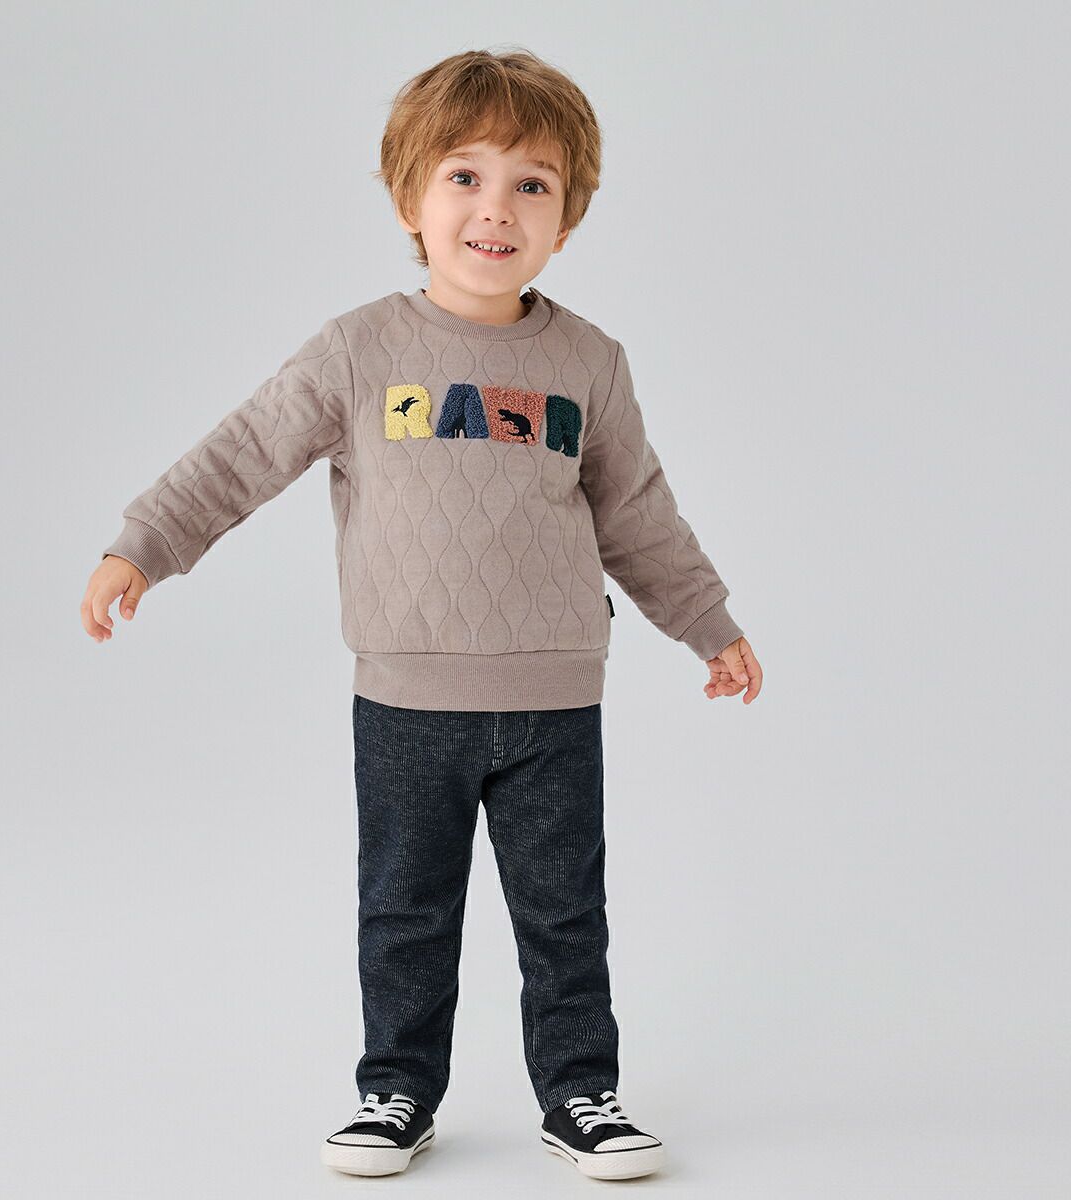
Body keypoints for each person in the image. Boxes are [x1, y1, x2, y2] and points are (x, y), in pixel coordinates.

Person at [80, 47, 763, 1182]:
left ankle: (581, 1092)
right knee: (405, 910)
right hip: (406, 701)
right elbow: (244, 453)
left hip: (553, 698)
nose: (497, 209)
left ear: (567, 220)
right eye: (464, 176)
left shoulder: (589, 363)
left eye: (532, 185)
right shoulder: (359, 350)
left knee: (563, 913)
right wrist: (143, 543)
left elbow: (638, 513)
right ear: (410, 198)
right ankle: (395, 1090)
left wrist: (709, 623)